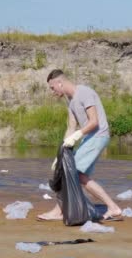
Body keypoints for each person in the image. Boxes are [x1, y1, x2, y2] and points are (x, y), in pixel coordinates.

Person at [37, 69, 122, 222]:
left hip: (98, 135)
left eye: (52, 87)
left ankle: (60, 211)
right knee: (78, 175)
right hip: (89, 137)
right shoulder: (70, 100)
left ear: (60, 83)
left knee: (73, 172)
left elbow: (94, 121)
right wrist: (62, 151)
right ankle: (113, 208)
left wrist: (77, 135)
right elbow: (71, 127)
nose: (52, 91)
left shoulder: (84, 93)